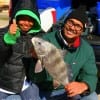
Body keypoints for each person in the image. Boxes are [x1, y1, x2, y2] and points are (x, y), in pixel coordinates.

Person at [28, 6, 98, 100]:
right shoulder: (47, 40)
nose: (72, 27)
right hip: (42, 91)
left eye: (78, 26)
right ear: (65, 22)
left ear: (82, 31)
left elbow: (91, 74)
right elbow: (34, 77)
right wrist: (34, 59)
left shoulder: (87, 49)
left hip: (66, 90)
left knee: (91, 97)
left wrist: (84, 85)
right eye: (70, 22)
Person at [0, 0, 41, 100]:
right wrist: (8, 38)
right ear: (16, 18)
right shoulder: (4, 32)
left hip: (26, 84)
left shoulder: (38, 36)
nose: (26, 23)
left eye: (30, 20)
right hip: (3, 86)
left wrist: (36, 58)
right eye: (23, 19)